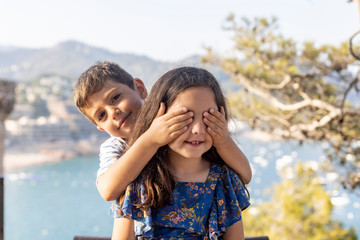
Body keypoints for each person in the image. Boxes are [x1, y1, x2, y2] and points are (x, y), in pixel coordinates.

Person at [110, 67, 250, 240]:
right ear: (158, 118)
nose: (198, 129)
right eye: (185, 118)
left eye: (208, 117)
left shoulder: (223, 181)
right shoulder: (137, 180)